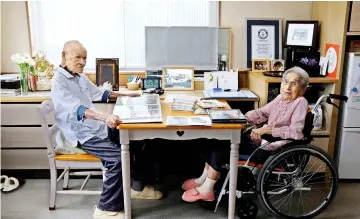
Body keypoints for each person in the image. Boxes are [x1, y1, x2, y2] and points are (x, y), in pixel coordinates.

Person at [51, 40, 162, 219]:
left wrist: (130, 94)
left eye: (85, 58)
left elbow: (100, 93)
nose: (82, 62)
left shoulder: (78, 76)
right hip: (79, 134)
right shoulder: (59, 81)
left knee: (140, 140)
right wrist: (105, 117)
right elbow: (77, 110)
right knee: (117, 157)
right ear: (64, 56)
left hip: (95, 127)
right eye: (77, 57)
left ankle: (137, 188)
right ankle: (106, 209)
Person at [181, 66, 309, 202]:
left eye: (293, 84)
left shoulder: (300, 102)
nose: (287, 87)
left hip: (273, 147)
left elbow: (296, 132)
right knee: (214, 139)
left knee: (223, 145)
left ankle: (208, 188)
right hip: (262, 139)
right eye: (285, 82)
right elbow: (262, 113)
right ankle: (204, 178)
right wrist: (239, 116)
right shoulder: (280, 98)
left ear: (303, 89)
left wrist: (267, 130)